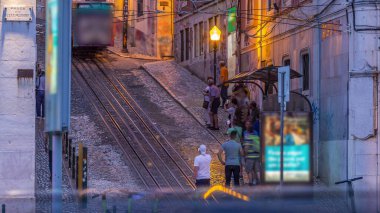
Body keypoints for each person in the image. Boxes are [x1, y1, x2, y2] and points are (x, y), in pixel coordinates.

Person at [243, 121, 261, 186]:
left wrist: (245, 154)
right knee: (257, 170)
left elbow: (246, 148)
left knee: (249, 170)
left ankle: (250, 183)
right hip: (257, 155)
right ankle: (259, 182)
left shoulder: (248, 137)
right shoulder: (256, 137)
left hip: (250, 157)